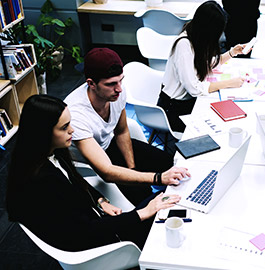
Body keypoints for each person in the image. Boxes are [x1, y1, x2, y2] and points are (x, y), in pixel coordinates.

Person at [6, 95, 181, 251]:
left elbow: (75, 183)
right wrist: (141, 213)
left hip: (98, 223)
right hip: (98, 243)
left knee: (167, 201)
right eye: (64, 127)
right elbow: (85, 230)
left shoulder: (50, 154)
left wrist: (100, 200)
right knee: (169, 206)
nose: (72, 130)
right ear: (43, 133)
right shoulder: (42, 181)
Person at [64, 47, 189, 206]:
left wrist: (132, 167)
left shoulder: (116, 92)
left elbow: (122, 131)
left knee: (173, 164)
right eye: (111, 84)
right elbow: (106, 171)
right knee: (144, 196)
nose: (119, 89)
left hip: (110, 145)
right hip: (92, 161)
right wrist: (158, 178)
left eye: (120, 80)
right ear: (91, 83)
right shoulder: (76, 114)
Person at [158, 1, 250, 132]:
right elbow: (194, 89)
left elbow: (207, 64)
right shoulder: (184, 45)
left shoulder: (195, 38)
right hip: (174, 108)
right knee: (218, 125)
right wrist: (228, 83)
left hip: (187, 102)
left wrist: (232, 52)